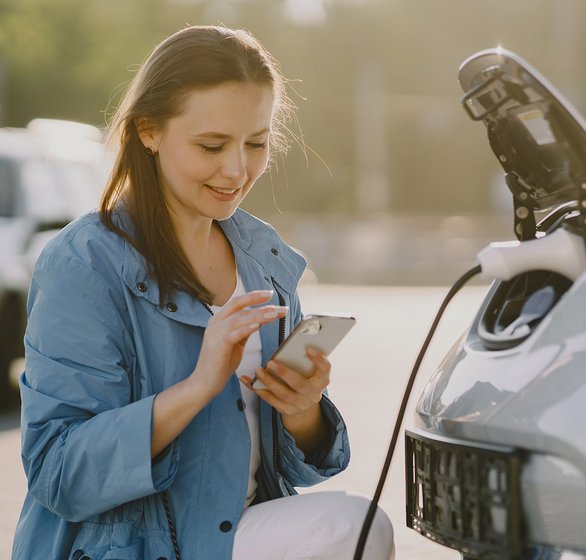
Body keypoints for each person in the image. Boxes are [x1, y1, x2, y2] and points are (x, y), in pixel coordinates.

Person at [12, 25, 394, 560]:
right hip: (129, 549)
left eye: (256, 144)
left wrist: (301, 413)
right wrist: (198, 386)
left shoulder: (265, 257)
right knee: (348, 527)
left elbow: (293, 467)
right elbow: (59, 473)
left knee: (355, 527)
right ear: (149, 131)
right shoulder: (83, 263)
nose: (237, 170)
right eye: (211, 145)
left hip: (238, 537)